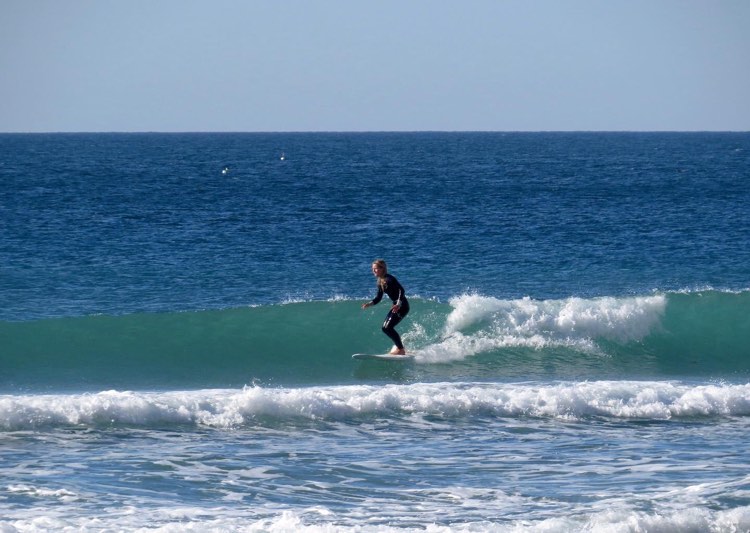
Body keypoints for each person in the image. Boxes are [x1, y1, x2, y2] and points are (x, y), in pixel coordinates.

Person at [361, 259, 410, 355]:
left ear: (382, 269)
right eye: (373, 269)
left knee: (387, 328)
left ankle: (401, 349)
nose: (374, 271)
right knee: (386, 328)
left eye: (376, 269)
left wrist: (398, 303)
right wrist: (369, 304)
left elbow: (401, 290)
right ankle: (400, 348)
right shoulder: (380, 281)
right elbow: (378, 298)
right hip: (397, 305)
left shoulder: (389, 279)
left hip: (402, 305)